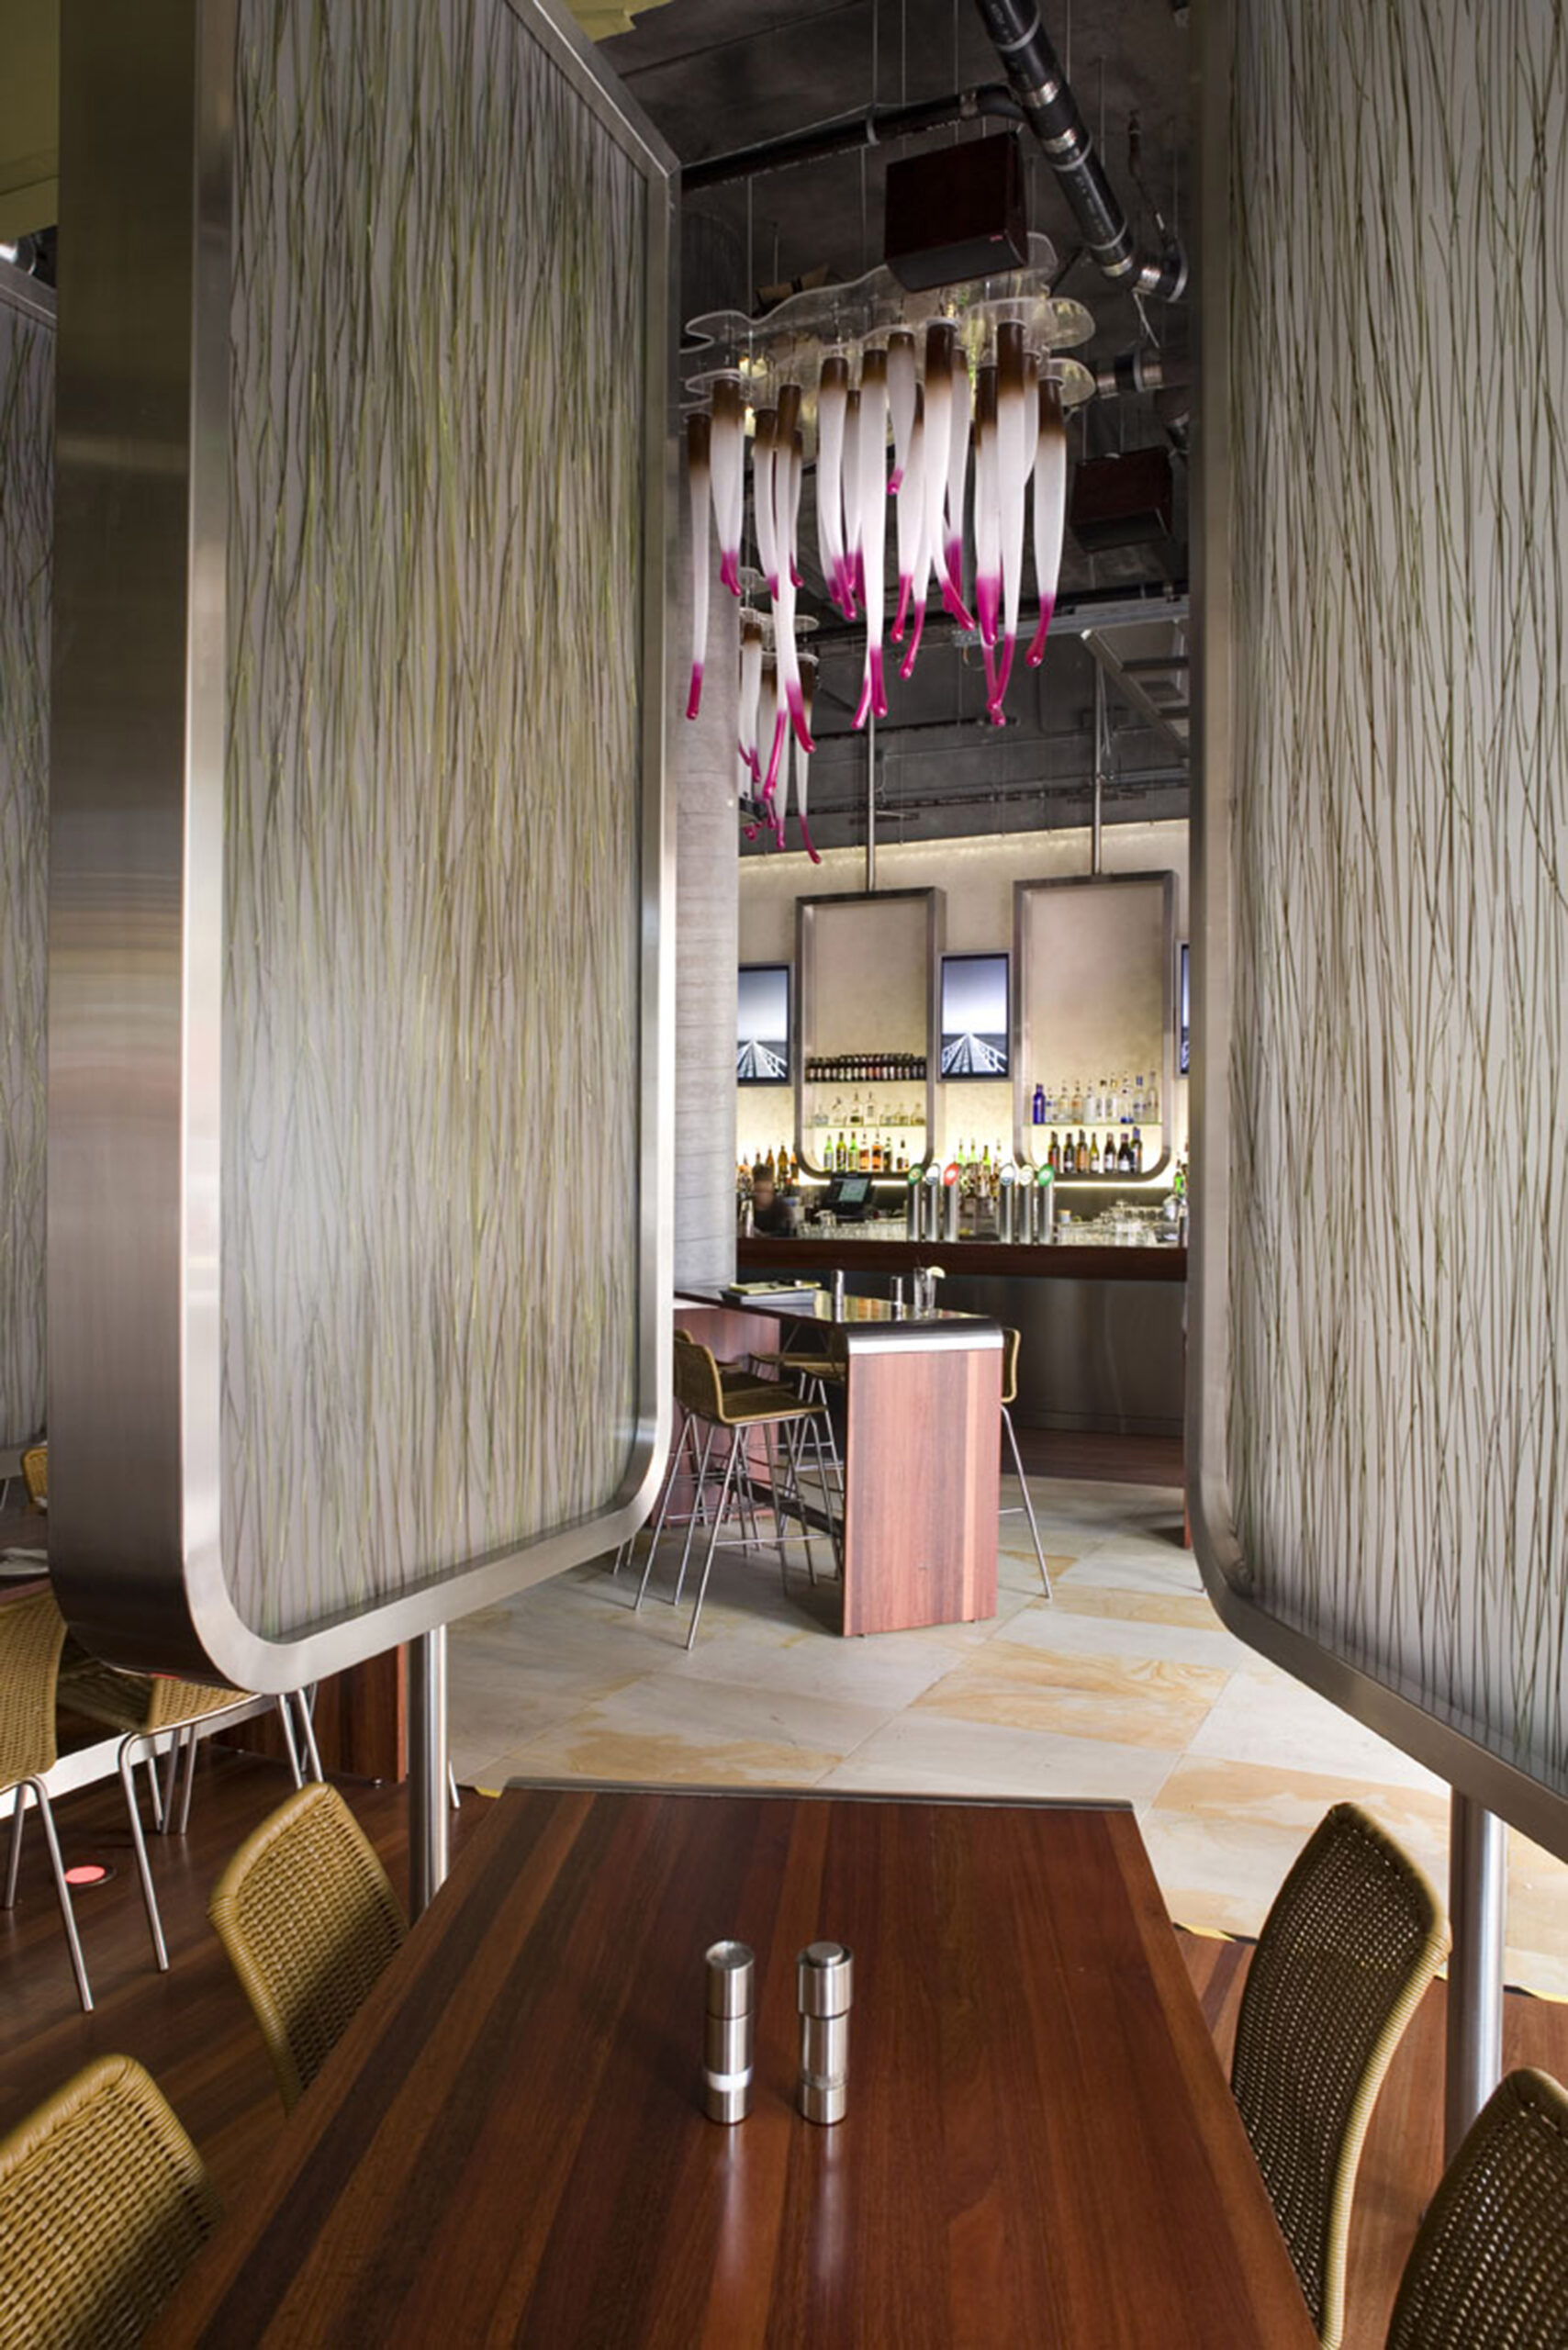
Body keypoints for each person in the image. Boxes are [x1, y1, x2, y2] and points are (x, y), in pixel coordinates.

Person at [749, 1168, 790, 1235]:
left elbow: (787, 1234)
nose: (763, 1196)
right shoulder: (746, 1207)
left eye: (766, 1191)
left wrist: (762, 1236)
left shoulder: (781, 1208)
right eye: (760, 1191)